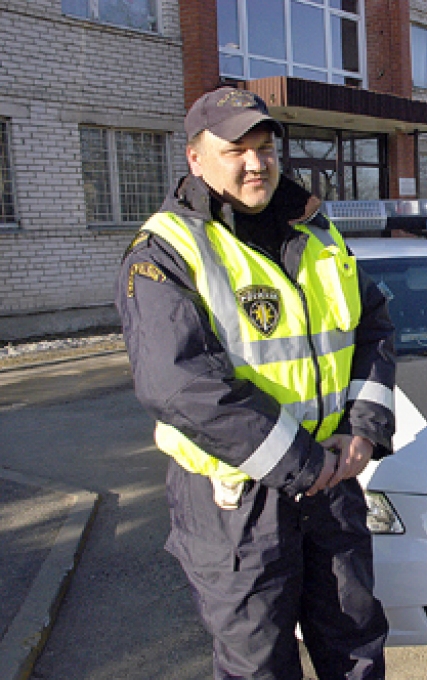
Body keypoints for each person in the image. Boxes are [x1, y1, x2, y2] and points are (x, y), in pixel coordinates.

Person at [115, 87, 395, 679]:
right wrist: (300, 462)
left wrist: (364, 431)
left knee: (357, 648)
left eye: (265, 147)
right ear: (195, 158)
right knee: (258, 664)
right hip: (238, 504)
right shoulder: (168, 249)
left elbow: (371, 325)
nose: (254, 162)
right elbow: (179, 385)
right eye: (234, 149)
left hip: (331, 482)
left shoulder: (315, 229)